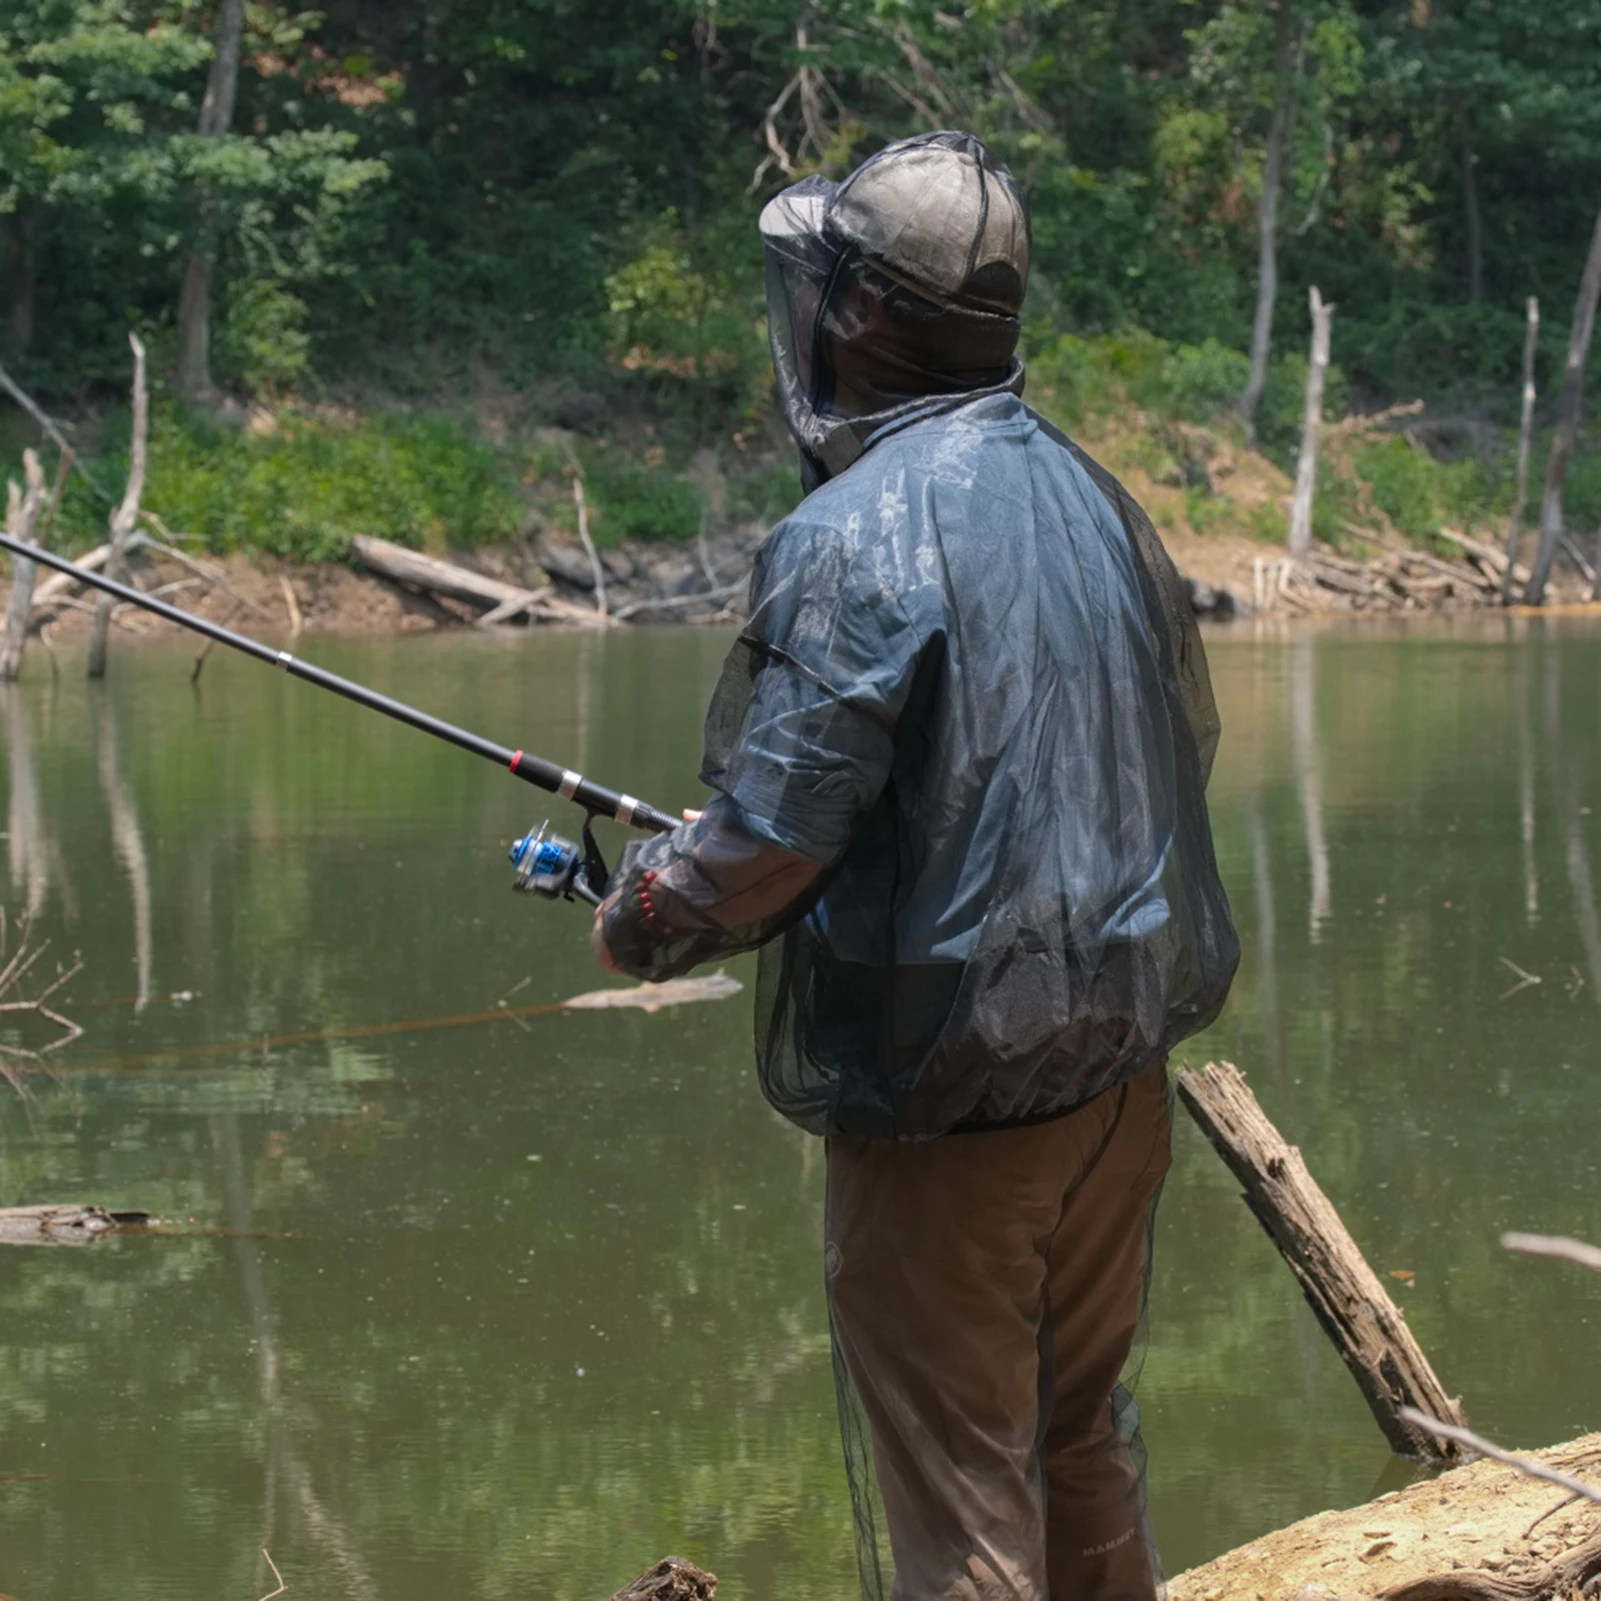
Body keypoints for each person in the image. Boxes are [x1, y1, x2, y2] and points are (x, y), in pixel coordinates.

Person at [591, 130, 1239, 1601]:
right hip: (1116, 1083)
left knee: (961, 1499)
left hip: (954, 1108)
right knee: (1079, 1440)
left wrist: (643, 915)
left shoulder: (849, 537)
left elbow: (763, 849)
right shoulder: (1094, 497)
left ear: (864, 313)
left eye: (821, 283)